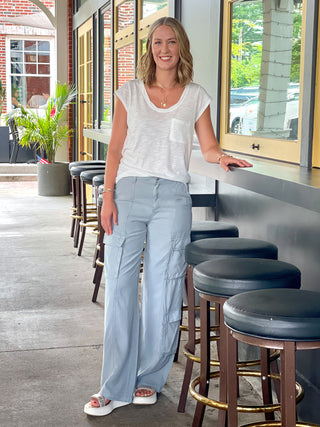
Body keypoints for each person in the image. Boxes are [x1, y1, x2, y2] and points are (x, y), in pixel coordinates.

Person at [84, 16, 252, 417]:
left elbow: (208, 146)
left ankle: (149, 379)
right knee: (122, 288)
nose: (164, 49)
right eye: (157, 42)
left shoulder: (196, 95)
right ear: (149, 49)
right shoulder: (130, 92)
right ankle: (113, 385)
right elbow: (115, 150)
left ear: (181, 47)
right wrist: (107, 197)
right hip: (128, 193)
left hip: (173, 197)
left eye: (171, 42)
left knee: (163, 289)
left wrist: (222, 156)